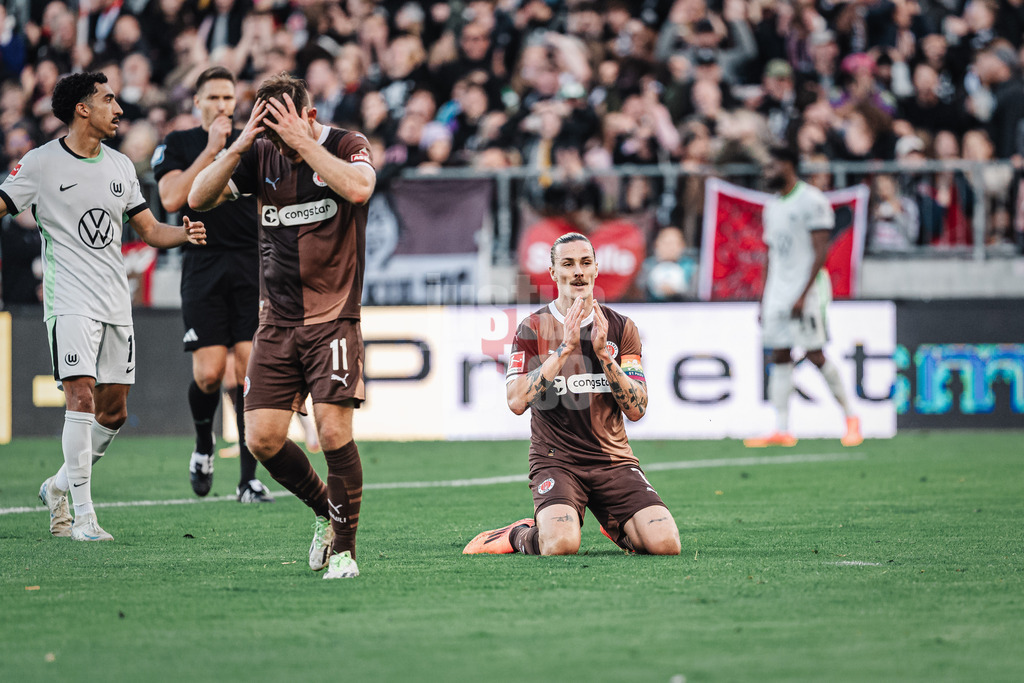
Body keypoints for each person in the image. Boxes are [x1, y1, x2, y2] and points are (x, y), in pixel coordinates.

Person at [0, 71, 206, 540]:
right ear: (82, 109)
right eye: (108, 100)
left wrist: (185, 235)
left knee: (112, 412)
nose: (119, 109)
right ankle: (83, 517)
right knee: (81, 397)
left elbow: (150, 230)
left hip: (115, 301)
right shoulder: (40, 163)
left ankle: (56, 486)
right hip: (68, 299)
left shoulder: (119, 167)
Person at [188, 73, 375, 580]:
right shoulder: (257, 152)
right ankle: (322, 511)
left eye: (280, 126)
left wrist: (301, 143)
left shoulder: (345, 144)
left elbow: (359, 188)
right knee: (262, 439)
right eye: (265, 127)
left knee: (334, 432)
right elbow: (196, 197)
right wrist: (241, 144)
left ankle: (345, 551)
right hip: (276, 322)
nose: (274, 139)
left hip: (334, 318)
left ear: (308, 116)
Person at [463, 232, 681, 557]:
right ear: (553, 273)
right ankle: (516, 535)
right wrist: (564, 350)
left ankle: (614, 520)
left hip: (613, 462)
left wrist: (605, 357)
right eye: (568, 263)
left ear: (595, 269)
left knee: (665, 544)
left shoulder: (621, 328)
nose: (578, 271)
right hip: (557, 461)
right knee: (562, 545)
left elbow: (638, 408)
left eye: (585, 263)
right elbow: (516, 401)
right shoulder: (532, 328)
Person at [153, 66, 272, 504]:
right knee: (208, 374)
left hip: (248, 262)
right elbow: (171, 199)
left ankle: (247, 480)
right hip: (202, 263)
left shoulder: (254, 144)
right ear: (197, 102)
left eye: (228, 98)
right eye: (214, 98)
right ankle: (204, 447)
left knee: (245, 370)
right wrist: (212, 148)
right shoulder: (179, 144)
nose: (223, 105)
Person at [744, 146, 862, 448]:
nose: (767, 172)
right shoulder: (773, 206)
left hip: (805, 292)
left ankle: (851, 418)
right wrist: (764, 297)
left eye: (772, 166)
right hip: (777, 293)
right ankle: (782, 428)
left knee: (814, 353)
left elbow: (821, 251)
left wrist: (803, 293)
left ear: (788, 165)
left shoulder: (812, 201)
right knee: (780, 354)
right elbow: (772, 253)